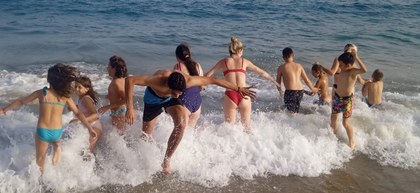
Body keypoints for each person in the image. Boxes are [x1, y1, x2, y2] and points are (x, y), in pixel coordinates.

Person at [125, 70, 255, 176]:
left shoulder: (188, 81)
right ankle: (137, 156)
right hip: (153, 100)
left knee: (182, 124)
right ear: (168, 85)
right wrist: (130, 108)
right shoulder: (158, 80)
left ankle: (166, 160)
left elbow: (214, 80)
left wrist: (238, 88)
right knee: (145, 137)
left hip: (170, 101)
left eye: (180, 93)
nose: (177, 95)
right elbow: (130, 80)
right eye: (174, 92)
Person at [0, 63, 97, 174]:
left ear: (49, 80)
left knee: (40, 160)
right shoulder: (65, 97)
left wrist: (4, 110)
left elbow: (21, 101)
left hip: (43, 131)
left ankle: (41, 181)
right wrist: (90, 128)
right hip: (57, 132)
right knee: (56, 143)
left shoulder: (42, 93)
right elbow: (79, 113)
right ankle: (57, 148)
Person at [205, 37, 280, 129]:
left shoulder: (223, 62)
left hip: (230, 95)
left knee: (229, 128)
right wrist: (273, 80)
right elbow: (261, 72)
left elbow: (208, 75)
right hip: (245, 94)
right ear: (239, 50)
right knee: (247, 127)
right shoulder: (244, 61)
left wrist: (198, 83)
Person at [330, 51, 367, 150]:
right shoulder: (342, 70)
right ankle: (333, 135)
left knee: (345, 122)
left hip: (347, 101)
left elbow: (364, 70)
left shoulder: (352, 72)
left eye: (341, 65)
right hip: (337, 98)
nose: (340, 67)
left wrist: (357, 57)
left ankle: (352, 141)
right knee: (333, 118)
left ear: (349, 65)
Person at [276, 47, 318, 114]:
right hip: (300, 91)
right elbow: (306, 80)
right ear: (293, 56)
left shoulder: (281, 67)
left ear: (283, 57)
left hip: (290, 92)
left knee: (291, 112)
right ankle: (296, 122)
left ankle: (291, 123)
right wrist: (313, 89)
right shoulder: (299, 66)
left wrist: (280, 91)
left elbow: (277, 82)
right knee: (296, 109)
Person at [173, 43, 204, 127]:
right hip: (197, 102)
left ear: (177, 57)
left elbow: (174, 87)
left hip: (184, 101)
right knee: (190, 132)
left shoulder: (178, 67)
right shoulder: (197, 65)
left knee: (181, 132)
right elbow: (202, 86)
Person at [70, 76, 102, 152]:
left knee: (88, 151)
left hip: (94, 125)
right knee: (85, 150)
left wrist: (80, 121)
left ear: (87, 89)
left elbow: (96, 115)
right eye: (76, 87)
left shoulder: (86, 99)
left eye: (79, 87)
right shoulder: (81, 98)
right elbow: (83, 109)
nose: (76, 89)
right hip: (88, 125)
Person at [98, 55, 128, 134]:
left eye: (109, 66)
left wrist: (107, 107)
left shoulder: (117, 82)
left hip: (119, 111)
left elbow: (126, 99)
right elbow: (116, 95)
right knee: (119, 133)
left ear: (114, 68)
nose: (107, 68)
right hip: (118, 111)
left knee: (119, 134)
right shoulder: (119, 80)